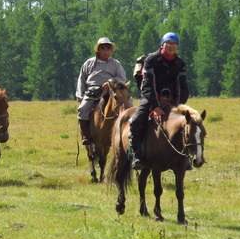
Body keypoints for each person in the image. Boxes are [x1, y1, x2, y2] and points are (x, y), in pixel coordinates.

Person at [130, 32, 190, 169]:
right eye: (168, 43)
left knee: (189, 123)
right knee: (137, 120)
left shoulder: (180, 63)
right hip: (151, 98)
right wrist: (155, 106)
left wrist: (177, 105)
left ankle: (185, 157)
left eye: (174, 43)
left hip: (172, 101)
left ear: (177, 46)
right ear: (162, 44)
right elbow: (147, 85)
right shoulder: (152, 59)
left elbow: (183, 87)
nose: (171, 46)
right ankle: (137, 155)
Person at [75, 37, 130, 145]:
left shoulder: (115, 64)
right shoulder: (89, 63)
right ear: (98, 50)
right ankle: (86, 135)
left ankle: (128, 133)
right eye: (103, 48)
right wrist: (80, 96)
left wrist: (110, 81)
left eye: (108, 49)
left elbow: (122, 77)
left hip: (112, 89)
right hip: (93, 90)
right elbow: (81, 79)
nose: (106, 51)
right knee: (82, 109)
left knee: (128, 107)